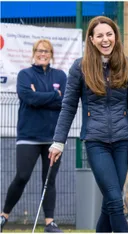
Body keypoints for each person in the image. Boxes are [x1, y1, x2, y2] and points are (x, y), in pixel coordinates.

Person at [48, 16, 128, 233]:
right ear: (91, 39)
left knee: (110, 204)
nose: (105, 39)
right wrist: (58, 142)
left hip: (122, 140)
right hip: (95, 142)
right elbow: (69, 107)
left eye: (109, 34)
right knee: (114, 200)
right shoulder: (80, 67)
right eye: (99, 35)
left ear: (115, 36)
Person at [0, 39, 66, 233]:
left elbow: (63, 102)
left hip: (53, 138)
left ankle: (49, 223)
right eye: (39, 50)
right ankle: (4, 216)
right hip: (28, 136)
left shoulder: (60, 75)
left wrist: (42, 97)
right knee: (22, 176)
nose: (42, 53)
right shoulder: (24, 74)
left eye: (46, 51)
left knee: (49, 180)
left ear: (51, 54)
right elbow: (28, 97)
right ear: (33, 53)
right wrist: (54, 95)